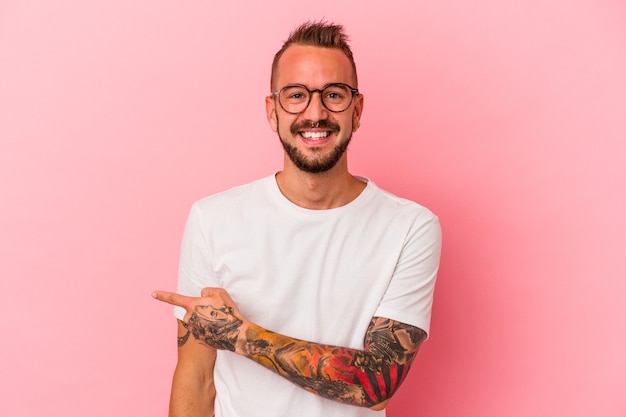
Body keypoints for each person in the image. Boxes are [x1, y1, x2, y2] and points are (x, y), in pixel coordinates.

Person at [153, 21, 442, 417]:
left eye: (334, 95)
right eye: (296, 95)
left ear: (356, 111)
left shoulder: (410, 227)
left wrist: (239, 335)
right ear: (273, 111)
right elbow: (196, 378)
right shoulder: (212, 219)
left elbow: (377, 383)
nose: (316, 113)